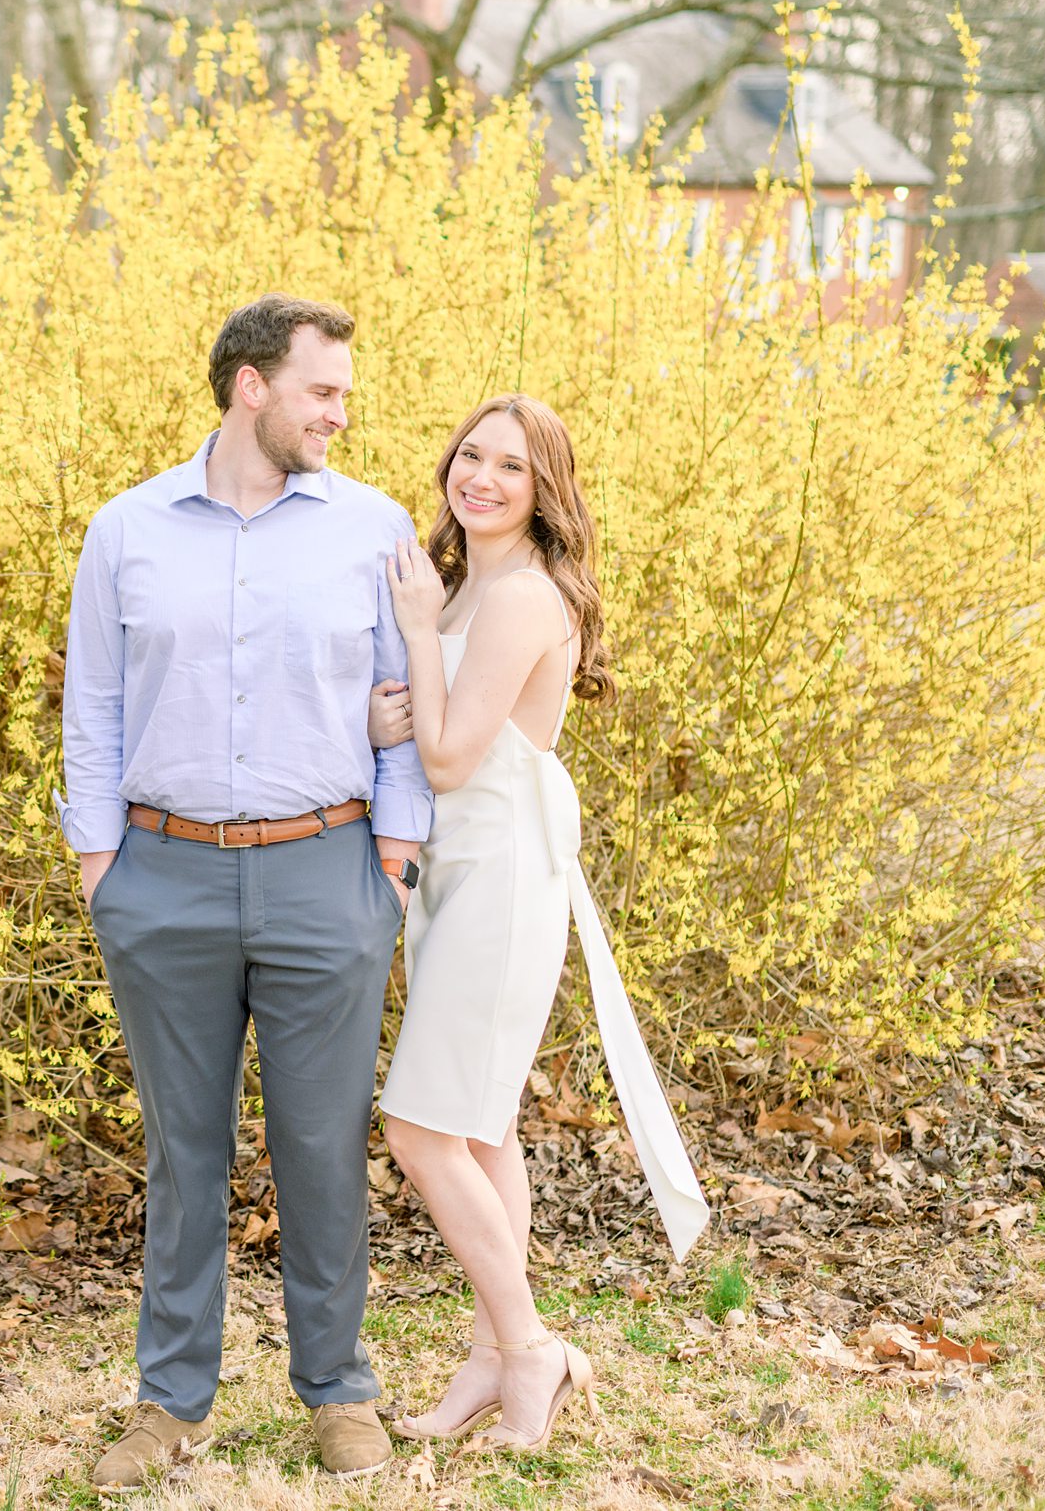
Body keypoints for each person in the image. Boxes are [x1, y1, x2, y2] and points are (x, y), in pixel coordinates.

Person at [60, 294, 433, 1487]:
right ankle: (171, 1403)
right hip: (159, 876)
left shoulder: (373, 528)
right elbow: (96, 701)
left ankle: (338, 1389)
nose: (341, 413)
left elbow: (403, 701)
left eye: (346, 395)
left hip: (330, 869)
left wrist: (396, 855)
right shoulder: (126, 529)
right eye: (323, 390)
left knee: (323, 1145)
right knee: (185, 1151)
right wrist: (100, 862)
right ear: (251, 386)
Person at [366, 393, 709, 1453]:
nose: (482, 478)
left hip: (505, 876)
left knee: (419, 1129)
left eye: (512, 467)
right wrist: (397, 700)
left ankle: (530, 1347)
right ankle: (487, 1366)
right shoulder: (475, 583)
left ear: (545, 488)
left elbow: (453, 757)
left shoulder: (518, 598)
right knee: (482, 1127)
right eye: (471, 455)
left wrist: (419, 644)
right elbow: (432, 727)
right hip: (455, 874)